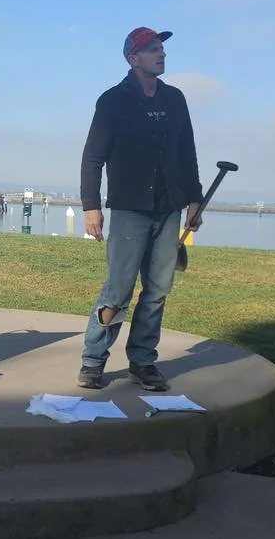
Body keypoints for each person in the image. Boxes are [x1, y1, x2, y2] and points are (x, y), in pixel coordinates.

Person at [76, 26, 203, 392]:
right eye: (152, 49)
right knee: (118, 289)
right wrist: (91, 207)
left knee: (158, 289)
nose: (161, 54)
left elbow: (187, 152)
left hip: (170, 208)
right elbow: (92, 158)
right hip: (130, 209)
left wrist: (194, 198)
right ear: (133, 58)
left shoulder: (175, 99)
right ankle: (93, 359)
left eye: (162, 48)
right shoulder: (113, 101)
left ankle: (143, 361)